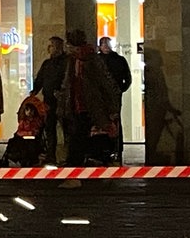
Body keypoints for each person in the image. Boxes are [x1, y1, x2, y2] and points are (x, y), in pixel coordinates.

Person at [57, 29, 121, 166]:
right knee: (78, 139)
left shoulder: (91, 60)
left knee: (78, 139)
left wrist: (112, 108)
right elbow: (68, 84)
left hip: (88, 106)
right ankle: (79, 167)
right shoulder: (72, 60)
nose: (67, 48)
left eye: (69, 45)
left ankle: (74, 171)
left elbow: (105, 83)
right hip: (74, 106)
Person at [31, 37, 68, 164]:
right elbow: (40, 79)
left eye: (53, 46)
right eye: (50, 46)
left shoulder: (66, 63)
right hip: (49, 101)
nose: (50, 48)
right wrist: (34, 91)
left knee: (66, 128)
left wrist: (61, 92)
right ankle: (51, 155)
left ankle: (67, 156)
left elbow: (67, 80)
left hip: (63, 101)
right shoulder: (47, 64)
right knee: (49, 128)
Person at [98, 37, 132, 161]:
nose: (106, 47)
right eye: (103, 44)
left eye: (107, 44)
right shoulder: (97, 60)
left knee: (115, 121)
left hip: (113, 96)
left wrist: (120, 90)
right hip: (101, 97)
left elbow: (127, 78)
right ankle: (105, 148)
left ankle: (116, 148)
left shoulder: (118, 60)